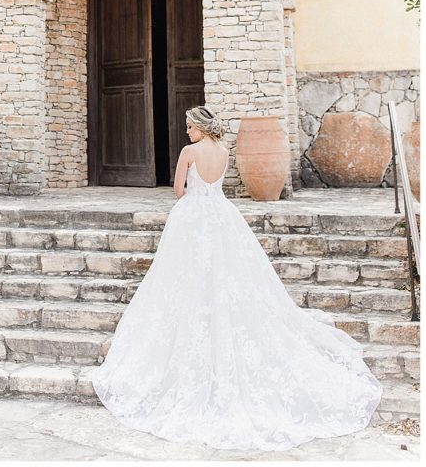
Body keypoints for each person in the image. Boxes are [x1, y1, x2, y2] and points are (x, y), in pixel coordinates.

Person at [89, 105, 383, 451]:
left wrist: (189, 202)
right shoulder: (223, 151)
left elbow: (179, 190)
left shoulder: (190, 152)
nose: (186, 131)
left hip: (193, 218)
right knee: (228, 277)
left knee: (185, 279)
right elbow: (218, 187)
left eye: (188, 126)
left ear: (199, 126)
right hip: (222, 216)